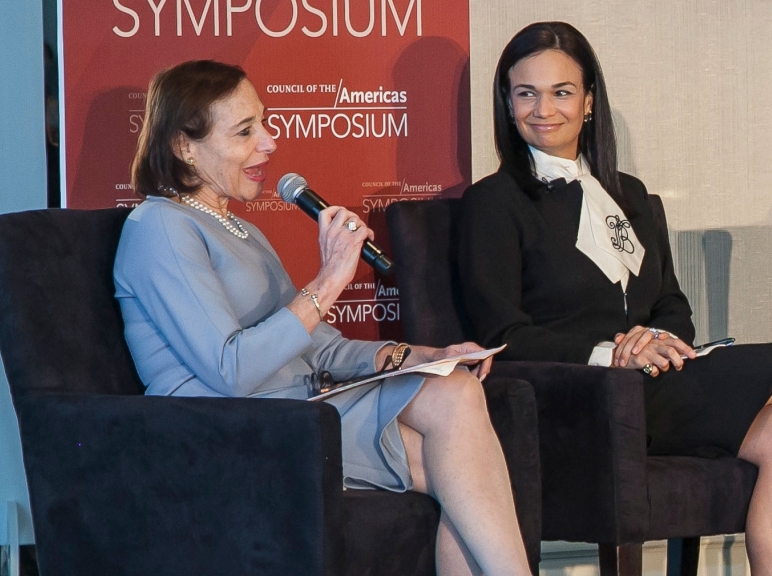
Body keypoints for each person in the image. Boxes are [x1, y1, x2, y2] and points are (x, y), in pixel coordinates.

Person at [458, 22, 772, 576]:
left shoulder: (629, 195)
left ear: (588, 103)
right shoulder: (492, 203)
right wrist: (612, 353)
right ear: (507, 104)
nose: (543, 108)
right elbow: (500, 335)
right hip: (581, 399)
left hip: (659, 383)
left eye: (561, 92)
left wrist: (657, 338)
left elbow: (673, 304)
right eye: (525, 92)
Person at [113, 59, 532, 575]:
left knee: (461, 442)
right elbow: (231, 370)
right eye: (245, 131)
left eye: (263, 123)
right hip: (229, 430)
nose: (269, 142)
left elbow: (321, 347)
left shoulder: (239, 228)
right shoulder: (160, 227)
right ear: (184, 147)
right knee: (463, 456)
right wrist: (330, 280)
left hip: (299, 409)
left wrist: (426, 355)